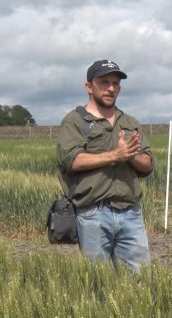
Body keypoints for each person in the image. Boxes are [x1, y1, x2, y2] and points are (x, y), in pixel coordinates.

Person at [56, 59, 154, 274]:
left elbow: (147, 164)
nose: (111, 88)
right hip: (93, 214)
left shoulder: (130, 122)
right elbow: (72, 160)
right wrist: (115, 155)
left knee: (141, 282)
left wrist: (130, 157)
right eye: (104, 82)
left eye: (115, 84)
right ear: (89, 87)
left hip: (130, 213)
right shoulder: (75, 121)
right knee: (97, 283)